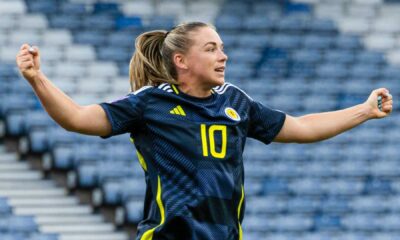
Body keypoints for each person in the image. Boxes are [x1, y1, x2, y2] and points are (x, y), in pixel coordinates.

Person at [16, 22, 393, 240]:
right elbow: (78, 119)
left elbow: (302, 127)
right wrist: (37, 79)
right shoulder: (150, 103)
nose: (223, 56)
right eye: (211, 49)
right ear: (181, 60)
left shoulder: (236, 102)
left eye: (222, 48)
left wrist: (363, 110)